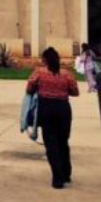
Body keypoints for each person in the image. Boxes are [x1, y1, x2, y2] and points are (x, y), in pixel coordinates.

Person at [26, 47, 79, 189]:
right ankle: (66, 173)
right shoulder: (66, 74)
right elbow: (75, 91)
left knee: (51, 144)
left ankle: (57, 177)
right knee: (63, 142)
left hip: (47, 109)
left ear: (45, 60)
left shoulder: (39, 73)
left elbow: (29, 88)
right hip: (63, 109)